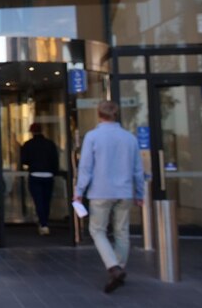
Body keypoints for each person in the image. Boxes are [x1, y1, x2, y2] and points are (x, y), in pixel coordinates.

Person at [73, 100, 144, 294]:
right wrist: (140, 193)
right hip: (125, 191)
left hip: (100, 191)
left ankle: (113, 267)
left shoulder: (93, 137)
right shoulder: (129, 138)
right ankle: (118, 268)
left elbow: (85, 167)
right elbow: (138, 169)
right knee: (122, 231)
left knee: (97, 230)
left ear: (99, 114)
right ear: (116, 114)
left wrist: (79, 191)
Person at [21, 122, 60, 235]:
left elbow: (24, 160)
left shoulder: (28, 144)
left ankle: (43, 224)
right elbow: (55, 160)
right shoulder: (50, 144)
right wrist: (54, 172)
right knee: (46, 200)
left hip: (35, 175)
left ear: (32, 132)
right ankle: (45, 222)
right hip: (48, 175)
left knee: (38, 201)